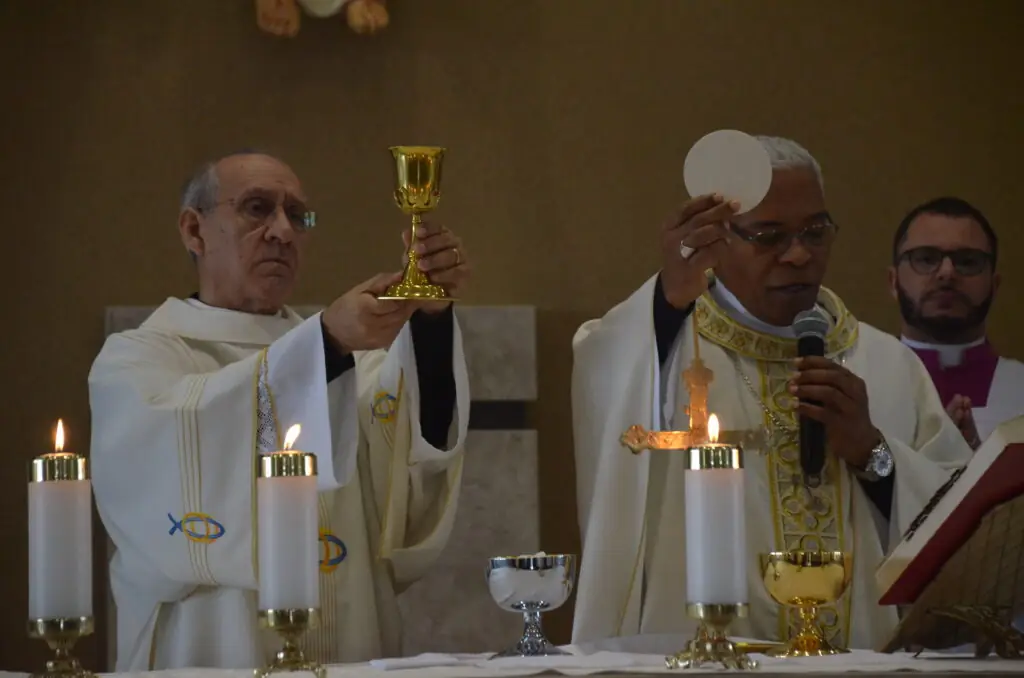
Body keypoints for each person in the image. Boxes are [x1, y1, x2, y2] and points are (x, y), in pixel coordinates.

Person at [570, 136, 972, 651]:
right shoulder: (664, 348)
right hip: (708, 657)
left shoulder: (888, 364)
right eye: (769, 236)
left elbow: (960, 533)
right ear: (717, 239)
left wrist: (873, 454)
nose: (799, 254)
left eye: (815, 231)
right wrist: (668, 299)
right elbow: (603, 377)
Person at [90, 150, 471, 670]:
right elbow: (175, 466)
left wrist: (429, 318)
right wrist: (327, 343)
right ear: (194, 231)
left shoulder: (337, 359)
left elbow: (407, 456)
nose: (283, 232)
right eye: (256, 208)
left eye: (297, 215)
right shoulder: (140, 360)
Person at [889, 196, 1023, 449]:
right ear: (893, 282)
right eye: (926, 258)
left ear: (994, 286)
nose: (947, 273)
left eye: (968, 261)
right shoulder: (858, 391)